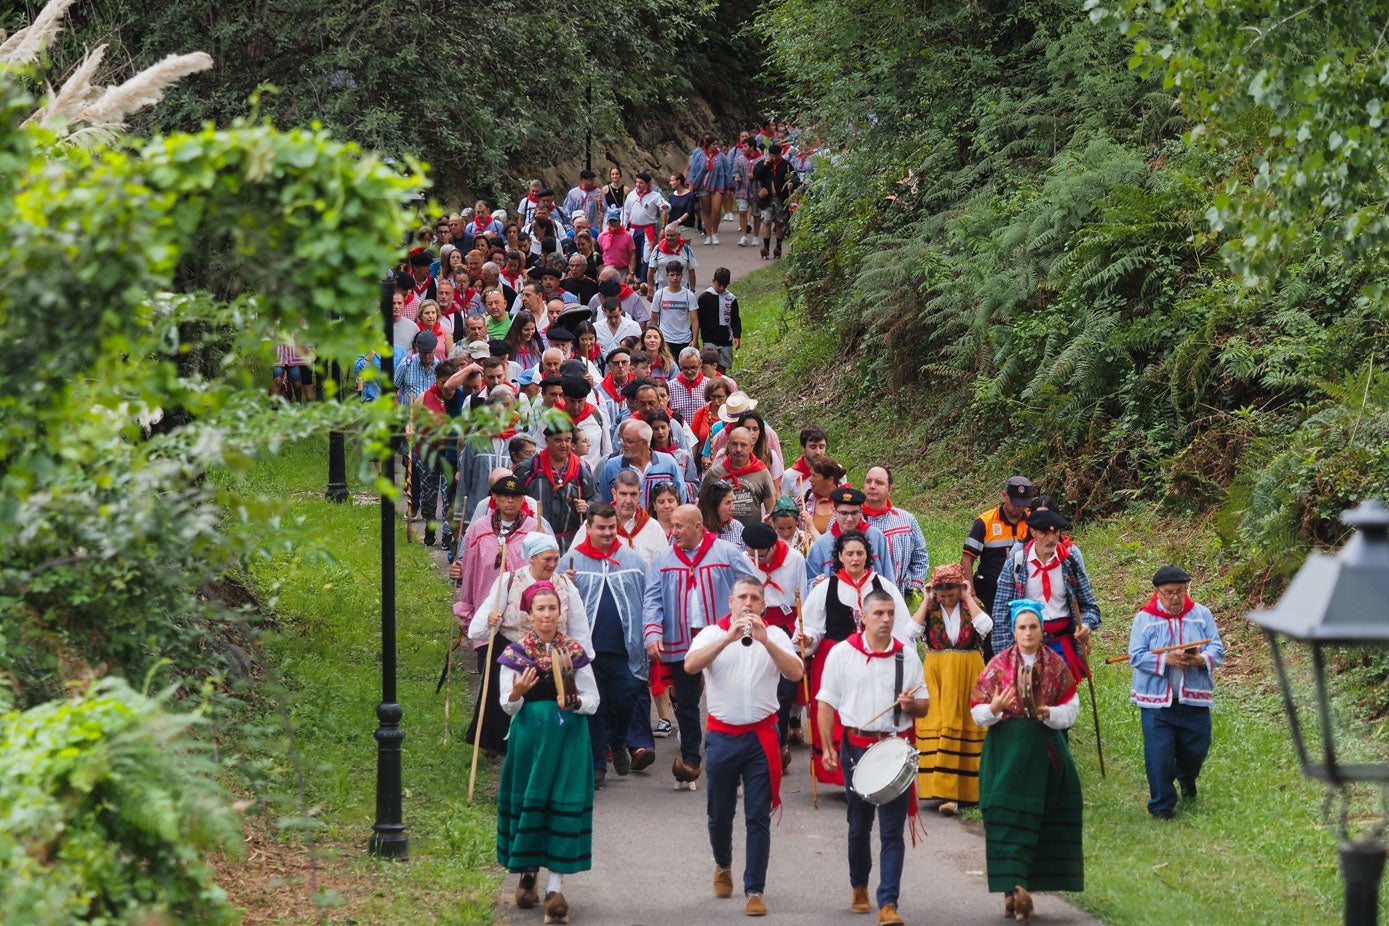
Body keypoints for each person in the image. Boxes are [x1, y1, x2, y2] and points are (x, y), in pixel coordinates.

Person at [683, 575, 804, 917]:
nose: (748, 604)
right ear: (731, 603)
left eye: (755, 598)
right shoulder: (711, 633)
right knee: (719, 814)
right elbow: (691, 666)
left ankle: (755, 889)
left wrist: (766, 642)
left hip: (761, 737)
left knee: (757, 817)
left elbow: (795, 673)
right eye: (743, 598)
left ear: (764, 605)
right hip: (722, 736)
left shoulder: (775, 634)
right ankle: (723, 864)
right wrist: (726, 640)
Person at [817, 588, 930, 926]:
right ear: (863, 616)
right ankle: (859, 884)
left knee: (892, 830)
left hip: (894, 750)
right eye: (878, 613)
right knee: (858, 825)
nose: (885, 620)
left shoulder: (906, 657)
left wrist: (913, 706)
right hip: (855, 748)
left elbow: (924, 705)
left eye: (890, 613)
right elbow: (825, 703)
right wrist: (826, 747)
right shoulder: (841, 654)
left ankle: (888, 902)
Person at [971, 599, 1084, 922]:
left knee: (1038, 815)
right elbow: (976, 711)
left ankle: (1022, 888)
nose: (1028, 632)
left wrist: (1049, 713)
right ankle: (1012, 889)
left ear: (1041, 629)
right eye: (1022, 627)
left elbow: (1071, 708)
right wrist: (993, 709)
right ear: (1013, 630)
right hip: (1005, 752)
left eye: (1033, 626)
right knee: (1003, 813)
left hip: (1042, 749)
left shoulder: (1055, 665)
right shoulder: (998, 665)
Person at [495, 581, 598, 925]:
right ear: (529, 614)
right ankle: (527, 875)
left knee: (561, 804)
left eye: (552, 608)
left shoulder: (574, 652)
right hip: (530, 739)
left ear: (560, 612)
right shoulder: (514, 655)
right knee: (530, 803)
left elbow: (593, 699)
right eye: (540, 608)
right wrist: (518, 692)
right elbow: (507, 708)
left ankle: (555, 889)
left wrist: (576, 701)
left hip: (569, 738)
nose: (547, 614)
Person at [644, 504, 757, 788]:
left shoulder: (726, 552)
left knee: (731, 696)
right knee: (686, 702)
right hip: (681, 640)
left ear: (698, 526)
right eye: (672, 526)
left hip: (722, 639)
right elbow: (653, 599)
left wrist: (745, 618)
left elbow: (751, 586)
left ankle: (737, 762)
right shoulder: (665, 558)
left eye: (680, 526)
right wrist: (653, 633)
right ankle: (690, 761)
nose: (674, 532)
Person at [799, 530, 918, 787]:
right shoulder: (826, 588)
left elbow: (901, 627)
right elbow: (812, 625)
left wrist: (904, 660)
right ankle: (844, 776)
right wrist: (807, 639)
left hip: (875, 661)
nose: (855, 559)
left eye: (860, 553)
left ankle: (876, 775)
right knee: (840, 716)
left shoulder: (882, 586)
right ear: (839, 557)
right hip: (835, 661)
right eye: (849, 554)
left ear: (868, 556)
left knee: (871, 714)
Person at [560, 503, 656, 791]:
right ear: (588, 528)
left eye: (611, 527)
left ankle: (618, 739)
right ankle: (598, 763)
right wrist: (566, 584)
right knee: (594, 706)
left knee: (624, 700)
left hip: (625, 649)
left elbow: (646, 600)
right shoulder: (571, 561)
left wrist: (648, 636)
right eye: (600, 527)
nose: (607, 532)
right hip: (588, 652)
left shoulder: (633, 560)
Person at [454, 474, 544, 757]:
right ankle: (492, 740)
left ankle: (521, 740)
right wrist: (466, 611)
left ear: (522, 500)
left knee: (524, 680)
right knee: (491, 678)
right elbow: (469, 573)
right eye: (504, 496)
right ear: (494, 499)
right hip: (489, 616)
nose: (509, 501)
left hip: (522, 622)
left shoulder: (535, 531)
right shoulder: (479, 530)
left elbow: (546, 568)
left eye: (515, 497)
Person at [1128, 565, 1225, 820]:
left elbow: (1217, 647)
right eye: (1169, 592)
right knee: (1159, 754)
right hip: (1157, 702)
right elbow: (1136, 656)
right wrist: (1165, 660)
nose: (1175, 598)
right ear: (1156, 592)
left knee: (1197, 748)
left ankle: (1187, 777)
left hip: (1194, 697)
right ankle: (1161, 805)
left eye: (1180, 591)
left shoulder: (1201, 615)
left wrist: (1200, 659)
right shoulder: (1144, 618)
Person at [912, 563, 992, 815]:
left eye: (951, 594)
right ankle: (945, 792)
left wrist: (968, 597)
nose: (946, 599)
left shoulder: (971, 604)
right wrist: (926, 600)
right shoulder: (931, 607)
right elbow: (909, 632)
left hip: (968, 671)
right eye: (941, 595)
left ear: (960, 589)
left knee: (968, 722)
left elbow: (986, 627)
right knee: (942, 721)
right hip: (938, 674)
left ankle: (968, 791)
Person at [990, 509, 1101, 687]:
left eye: (1055, 532)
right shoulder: (1016, 565)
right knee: (1031, 703)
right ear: (1032, 532)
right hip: (1026, 645)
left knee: (1061, 706)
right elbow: (1001, 613)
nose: (1051, 539)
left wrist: (1086, 626)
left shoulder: (1069, 564)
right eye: (1044, 533)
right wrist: (1005, 656)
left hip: (1061, 645)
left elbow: (1090, 607)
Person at [742, 521, 807, 759]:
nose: (758, 557)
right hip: (758, 622)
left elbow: (803, 599)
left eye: (763, 553)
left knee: (785, 688)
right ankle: (755, 740)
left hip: (787, 624)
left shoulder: (795, 560)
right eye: (753, 552)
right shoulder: (745, 560)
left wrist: (800, 630)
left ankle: (780, 744)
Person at [962, 476, 1033, 638]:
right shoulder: (984, 522)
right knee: (991, 638)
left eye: (1023, 504)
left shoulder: (1032, 522)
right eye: (1015, 503)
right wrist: (971, 596)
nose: (1019, 508)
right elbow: (967, 558)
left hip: (1024, 592)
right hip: (990, 593)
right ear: (1004, 495)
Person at [513, 425, 597, 552]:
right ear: (547, 441)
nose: (564, 445)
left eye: (568, 440)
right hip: (535, 542)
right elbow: (510, 497)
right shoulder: (528, 469)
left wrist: (588, 507)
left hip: (570, 544)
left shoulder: (580, 471)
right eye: (558, 440)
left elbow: (596, 498)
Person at [862, 465, 930, 605]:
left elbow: (920, 557)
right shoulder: (848, 518)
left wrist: (914, 586)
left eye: (879, 483)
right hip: (860, 598)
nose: (872, 486)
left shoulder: (906, 520)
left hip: (898, 599)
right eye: (868, 481)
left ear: (889, 490)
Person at [803, 488, 892, 591]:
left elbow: (888, 575)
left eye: (854, 513)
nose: (849, 518)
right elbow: (808, 581)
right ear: (834, 511)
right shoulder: (821, 544)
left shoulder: (876, 537)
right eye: (844, 513)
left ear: (861, 511)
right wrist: (815, 583)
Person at [598, 418, 686, 506]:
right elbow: (606, 501)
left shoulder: (668, 462)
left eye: (629, 441)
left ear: (644, 443)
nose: (623, 444)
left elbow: (680, 497)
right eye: (623, 439)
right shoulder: (611, 466)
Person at [700, 427, 775, 526]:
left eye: (743, 445)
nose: (739, 449)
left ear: (751, 447)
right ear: (728, 445)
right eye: (734, 444)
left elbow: (771, 507)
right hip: (721, 536)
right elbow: (702, 506)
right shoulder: (714, 473)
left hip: (752, 536)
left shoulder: (761, 472)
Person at [751, 144, 798, 260]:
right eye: (772, 156)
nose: (774, 158)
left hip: (780, 199)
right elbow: (756, 175)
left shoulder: (786, 165)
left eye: (777, 156)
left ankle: (778, 247)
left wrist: (792, 184)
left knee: (779, 223)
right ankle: (766, 248)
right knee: (766, 221)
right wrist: (765, 165)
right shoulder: (763, 163)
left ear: (780, 154)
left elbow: (795, 179)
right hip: (766, 198)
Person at [696, 267, 742, 372]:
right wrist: (695, 338)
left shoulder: (731, 299)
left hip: (725, 339)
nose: (721, 288)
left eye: (724, 286)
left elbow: (735, 319)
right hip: (709, 338)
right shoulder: (704, 298)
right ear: (713, 281)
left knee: (722, 366)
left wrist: (737, 336)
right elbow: (698, 319)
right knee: (709, 365)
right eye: (719, 284)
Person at [648, 224, 699, 291]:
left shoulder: (686, 249)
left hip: (682, 290)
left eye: (672, 235)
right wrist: (650, 289)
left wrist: (692, 290)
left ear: (678, 235)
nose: (669, 238)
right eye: (667, 235)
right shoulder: (658, 249)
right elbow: (650, 270)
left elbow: (691, 271)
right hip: (662, 291)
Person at [699, 479, 744, 549]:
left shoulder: (737, 527)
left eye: (732, 502)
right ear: (714, 505)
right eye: (728, 503)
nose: (732, 508)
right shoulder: (698, 529)